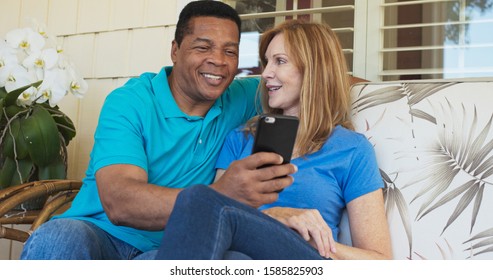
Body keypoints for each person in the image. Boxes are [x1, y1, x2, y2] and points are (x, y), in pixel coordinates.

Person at [20, 0, 297, 260]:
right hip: (99, 235)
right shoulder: (130, 102)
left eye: (230, 51)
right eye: (203, 47)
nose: (219, 60)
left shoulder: (241, 97)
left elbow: (307, 82)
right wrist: (221, 193)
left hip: (169, 248)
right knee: (58, 238)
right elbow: (121, 203)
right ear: (175, 50)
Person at [155, 20, 392, 260]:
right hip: (237, 258)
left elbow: (380, 262)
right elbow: (214, 221)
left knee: (199, 199)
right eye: (267, 62)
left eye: (280, 61)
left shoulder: (352, 149)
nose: (266, 73)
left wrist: (312, 241)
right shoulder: (240, 138)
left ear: (314, 70)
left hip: (305, 259)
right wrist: (276, 215)